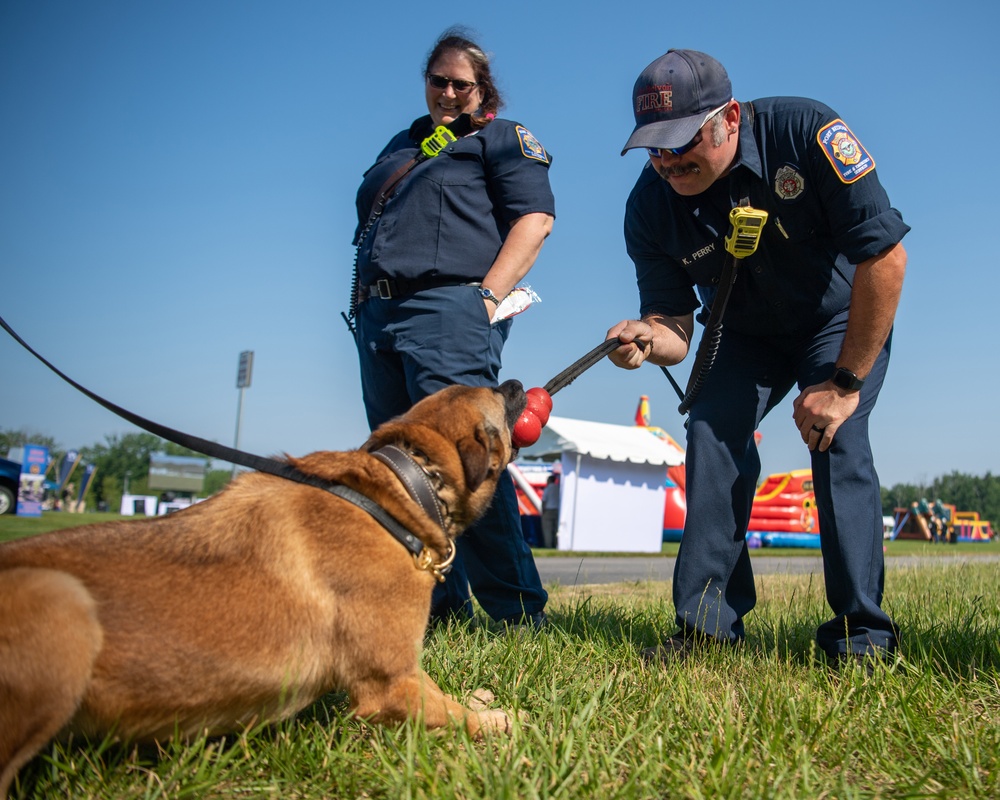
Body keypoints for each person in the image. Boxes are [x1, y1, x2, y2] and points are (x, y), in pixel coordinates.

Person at [607, 49, 909, 668]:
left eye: (682, 142)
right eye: (654, 149)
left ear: (730, 117)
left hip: (837, 319)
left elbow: (885, 257)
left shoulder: (807, 133)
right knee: (711, 431)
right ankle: (706, 629)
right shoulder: (648, 208)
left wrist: (845, 384)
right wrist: (645, 338)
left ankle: (862, 635)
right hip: (742, 332)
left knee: (836, 435)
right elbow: (674, 329)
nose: (668, 162)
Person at [350, 29, 554, 629]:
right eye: (437, 80)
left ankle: (515, 613)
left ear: (480, 89)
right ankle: (440, 609)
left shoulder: (499, 138)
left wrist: (484, 301)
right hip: (380, 314)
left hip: (449, 311)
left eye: (459, 83)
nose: (446, 91)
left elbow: (535, 220)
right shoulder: (403, 143)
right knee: (400, 466)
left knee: (470, 460)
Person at [540, 473, 560, 549]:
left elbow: (544, 501)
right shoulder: (558, 488)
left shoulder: (547, 489)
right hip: (557, 511)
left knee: (547, 530)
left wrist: (543, 511)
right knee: (555, 530)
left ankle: (548, 546)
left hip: (548, 510)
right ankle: (556, 545)